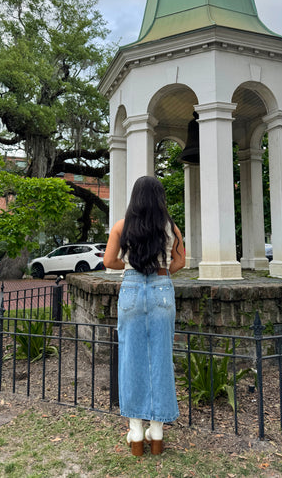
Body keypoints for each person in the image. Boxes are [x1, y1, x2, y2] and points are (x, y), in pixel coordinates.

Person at [103, 176, 185, 456]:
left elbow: (108, 261)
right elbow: (180, 261)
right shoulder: (171, 228)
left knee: (130, 357)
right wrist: (161, 274)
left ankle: (136, 431)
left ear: (135, 198)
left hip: (132, 289)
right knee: (160, 357)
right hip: (161, 289)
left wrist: (130, 267)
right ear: (160, 198)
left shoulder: (122, 227)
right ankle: (158, 431)